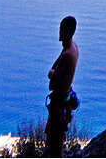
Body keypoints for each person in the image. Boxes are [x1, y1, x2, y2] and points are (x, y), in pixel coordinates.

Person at [45, 16, 79, 158]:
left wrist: (51, 73)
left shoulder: (67, 54)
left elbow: (52, 75)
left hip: (59, 102)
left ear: (64, 31)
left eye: (60, 29)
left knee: (55, 141)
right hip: (64, 99)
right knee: (57, 138)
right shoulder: (72, 48)